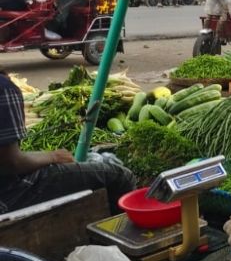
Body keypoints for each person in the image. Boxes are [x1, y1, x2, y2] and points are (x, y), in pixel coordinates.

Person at [0, 70, 136, 214]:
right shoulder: (4, 88)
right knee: (121, 177)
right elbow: (11, 162)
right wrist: (53, 157)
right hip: (9, 195)